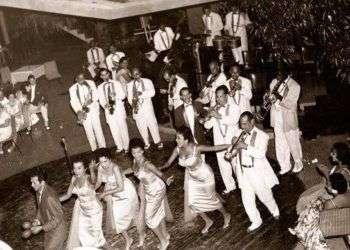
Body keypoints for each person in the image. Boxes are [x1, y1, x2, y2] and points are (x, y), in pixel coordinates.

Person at [161, 127, 232, 233]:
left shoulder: (196, 148)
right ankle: (208, 221)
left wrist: (230, 145)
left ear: (186, 140)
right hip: (193, 178)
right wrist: (157, 169)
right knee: (193, 202)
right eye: (176, 138)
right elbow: (167, 164)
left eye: (179, 138)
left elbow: (214, 148)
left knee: (212, 198)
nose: (176, 140)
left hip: (205, 175)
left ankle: (226, 215)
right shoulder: (177, 149)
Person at [225, 112, 280, 232]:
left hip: (257, 172)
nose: (242, 127)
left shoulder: (262, 136)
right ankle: (255, 220)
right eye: (241, 124)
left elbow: (260, 154)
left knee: (265, 196)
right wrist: (230, 152)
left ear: (252, 122)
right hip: (243, 171)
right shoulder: (239, 133)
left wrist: (245, 146)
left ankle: (274, 210)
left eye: (245, 124)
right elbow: (234, 149)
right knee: (247, 199)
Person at [290, 143, 350, 249]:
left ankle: (306, 231)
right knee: (309, 200)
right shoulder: (340, 168)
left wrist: (326, 174)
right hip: (336, 195)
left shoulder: (343, 173)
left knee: (307, 203)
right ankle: (302, 228)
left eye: (334, 153)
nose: (331, 154)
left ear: (341, 156)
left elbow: (336, 191)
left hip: (334, 201)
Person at [90, 148, 141, 250]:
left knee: (134, 215)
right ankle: (128, 239)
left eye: (105, 161)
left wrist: (104, 193)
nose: (103, 164)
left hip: (125, 192)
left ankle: (141, 237)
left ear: (109, 159)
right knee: (117, 218)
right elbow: (99, 182)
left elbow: (121, 187)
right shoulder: (100, 167)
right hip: (113, 193)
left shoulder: (115, 168)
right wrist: (91, 191)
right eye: (100, 162)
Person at [129, 138, 173, 250]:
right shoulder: (135, 162)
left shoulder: (147, 164)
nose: (136, 155)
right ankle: (165, 235)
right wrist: (121, 173)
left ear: (143, 151)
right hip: (149, 189)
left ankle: (163, 241)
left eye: (138, 152)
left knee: (148, 218)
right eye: (134, 152)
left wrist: (167, 179)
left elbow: (159, 173)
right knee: (158, 211)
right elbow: (134, 170)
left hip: (157, 189)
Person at [60, 161, 108, 250]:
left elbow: (94, 182)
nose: (76, 171)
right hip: (83, 211)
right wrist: (55, 201)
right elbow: (68, 195)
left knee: (98, 236)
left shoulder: (88, 178)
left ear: (85, 169)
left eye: (79, 168)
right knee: (83, 235)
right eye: (74, 168)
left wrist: (92, 170)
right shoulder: (73, 178)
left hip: (94, 210)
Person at [204, 85, 240, 195]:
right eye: (217, 97)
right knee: (223, 165)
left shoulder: (234, 107)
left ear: (226, 96)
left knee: (236, 164)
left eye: (220, 96)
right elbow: (207, 126)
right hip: (219, 141)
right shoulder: (215, 109)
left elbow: (233, 120)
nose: (218, 99)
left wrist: (218, 115)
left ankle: (242, 184)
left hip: (232, 141)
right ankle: (230, 186)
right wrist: (209, 116)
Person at [269, 67, 303, 174]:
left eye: (280, 74)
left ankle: (298, 163)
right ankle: (284, 165)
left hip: (288, 117)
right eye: (277, 74)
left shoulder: (295, 86)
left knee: (292, 141)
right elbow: (271, 97)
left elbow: (291, 104)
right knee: (279, 142)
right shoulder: (274, 82)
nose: (278, 77)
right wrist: (268, 98)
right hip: (277, 115)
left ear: (287, 73)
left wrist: (279, 97)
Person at [127, 67, 163, 150]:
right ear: (131, 75)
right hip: (137, 109)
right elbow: (129, 98)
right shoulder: (129, 85)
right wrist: (134, 102)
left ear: (140, 73)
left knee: (152, 125)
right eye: (134, 74)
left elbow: (152, 93)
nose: (136, 76)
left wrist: (141, 94)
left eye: (137, 74)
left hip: (147, 109)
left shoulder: (147, 81)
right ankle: (146, 142)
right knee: (141, 126)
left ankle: (157, 141)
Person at [30, 171, 67, 250]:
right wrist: (37, 220)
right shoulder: (38, 191)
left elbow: (58, 217)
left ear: (42, 182)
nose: (32, 185)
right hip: (50, 229)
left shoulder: (49, 197)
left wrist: (41, 228)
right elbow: (40, 207)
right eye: (31, 182)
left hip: (57, 231)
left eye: (34, 182)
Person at [69, 73, 106, 151]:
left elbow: (96, 94)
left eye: (83, 78)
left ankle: (103, 149)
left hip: (93, 108)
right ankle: (94, 149)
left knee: (98, 129)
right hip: (82, 111)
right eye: (80, 79)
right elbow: (73, 102)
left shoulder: (91, 83)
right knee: (88, 131)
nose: (83, 80)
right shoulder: (72, 89)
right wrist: (78, 111)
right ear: (76, 79)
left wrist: (92, 100)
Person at [98, 68, 129, 154]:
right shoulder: (100, 87)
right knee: (114, 129)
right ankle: (119, 146)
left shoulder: (117, 83)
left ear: (109, 74)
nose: (105, 76)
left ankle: (126, 146)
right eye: (103, 75)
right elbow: (101, 100)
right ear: (101, 77)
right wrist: (105, 105)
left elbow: (123, 96)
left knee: (123, 128)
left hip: (118, 109)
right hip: (109, 111)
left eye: (106, 74)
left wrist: (115, 95)